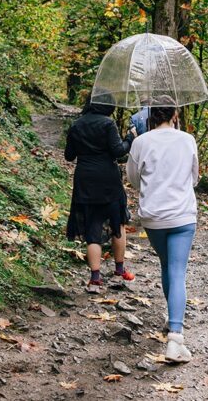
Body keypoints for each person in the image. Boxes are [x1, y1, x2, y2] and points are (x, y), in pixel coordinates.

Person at [126, 101, 199, 364]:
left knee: (167, 265)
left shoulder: (141, 142)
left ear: (150, 117)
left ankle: (172, 318)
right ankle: (175, 339)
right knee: (177, 270)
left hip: (153, 216)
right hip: (181, 215)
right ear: (175, 115)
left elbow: (134, 179)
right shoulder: (187, 140)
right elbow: (195, 178)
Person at [64, 100, 137, 293]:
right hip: (108, 179)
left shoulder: (76, 125)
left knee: (92, 228)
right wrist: (130, 138)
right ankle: (119, 271)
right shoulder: (107, 123)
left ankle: (95, 278)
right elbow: (119, 151)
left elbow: (69, 156)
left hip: (85, 180)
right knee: (117, 224)